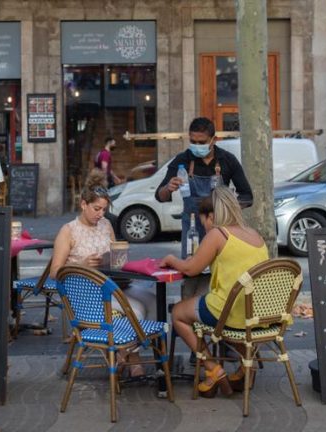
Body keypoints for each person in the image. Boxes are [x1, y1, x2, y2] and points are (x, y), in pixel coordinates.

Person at [160, 186, 269, 397]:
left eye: (204, 221)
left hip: (228, 311)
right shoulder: (255, 234)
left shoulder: (218, 234)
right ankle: (247, 366)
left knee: (179, 314)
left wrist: (172, 259)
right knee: (231, 322)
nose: (204, 226)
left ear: (211, 216)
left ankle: (213, 369)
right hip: (256, 311)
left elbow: (191, 269)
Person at [50, 170, 154, 376]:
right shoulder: (68, 231)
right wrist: (81, 264)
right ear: (83, 204)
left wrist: (116, 258)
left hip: (112, 285)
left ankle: (127, 352)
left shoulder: (106, 225)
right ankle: (133, 359)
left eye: (104, 210)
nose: (101, 214)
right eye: (96, 209)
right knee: (137, 310)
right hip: (86, 295)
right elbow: (54, 272)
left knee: (152, 300)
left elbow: (116, 258)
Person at [155, 117, 253, 296]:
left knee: (220, 275)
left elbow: (247, 196)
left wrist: (226, 207)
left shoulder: (227, 160)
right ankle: (190, 306)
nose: (196, 146)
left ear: (213, 140)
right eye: (193, 142)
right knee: (191, 277)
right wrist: (168, 188)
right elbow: (160, 196)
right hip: (192, 230)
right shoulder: (183, 160)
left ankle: (217, 307)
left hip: (221, 230)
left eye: (202, 142)